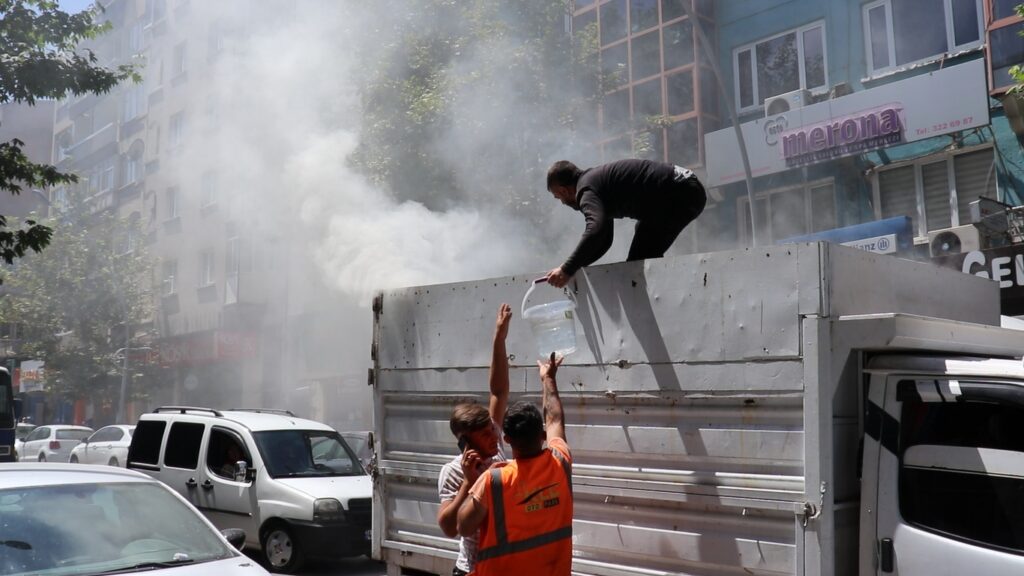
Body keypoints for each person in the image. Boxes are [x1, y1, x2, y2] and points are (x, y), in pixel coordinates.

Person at [456, 353, 572, 576]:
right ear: (542, 434)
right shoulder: (561, 461)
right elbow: (555, 419)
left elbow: (463, 526)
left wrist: (471, 482)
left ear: (506, 439)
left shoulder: (493, 480)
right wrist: (548, 378)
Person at [544, 158, 707, 288]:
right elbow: (603, 241)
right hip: (684, 188)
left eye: (559, 197)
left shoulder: (586, 190)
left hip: (681, 191)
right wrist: (574, 268)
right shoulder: (595, 183)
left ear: (564, 190)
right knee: (641, 250)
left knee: (637, 263)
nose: (562, 202)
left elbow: (595, 229)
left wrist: (566, 269)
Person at [436, 303, 512, 576]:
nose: (495, 437)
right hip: (473, 570)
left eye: (493, 429)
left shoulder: (496, 447)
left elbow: (499, 391)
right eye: (486, 434)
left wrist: (499, 339)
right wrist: (469, 481)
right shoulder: (454, 471)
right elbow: (448, 528)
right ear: (466, 440)